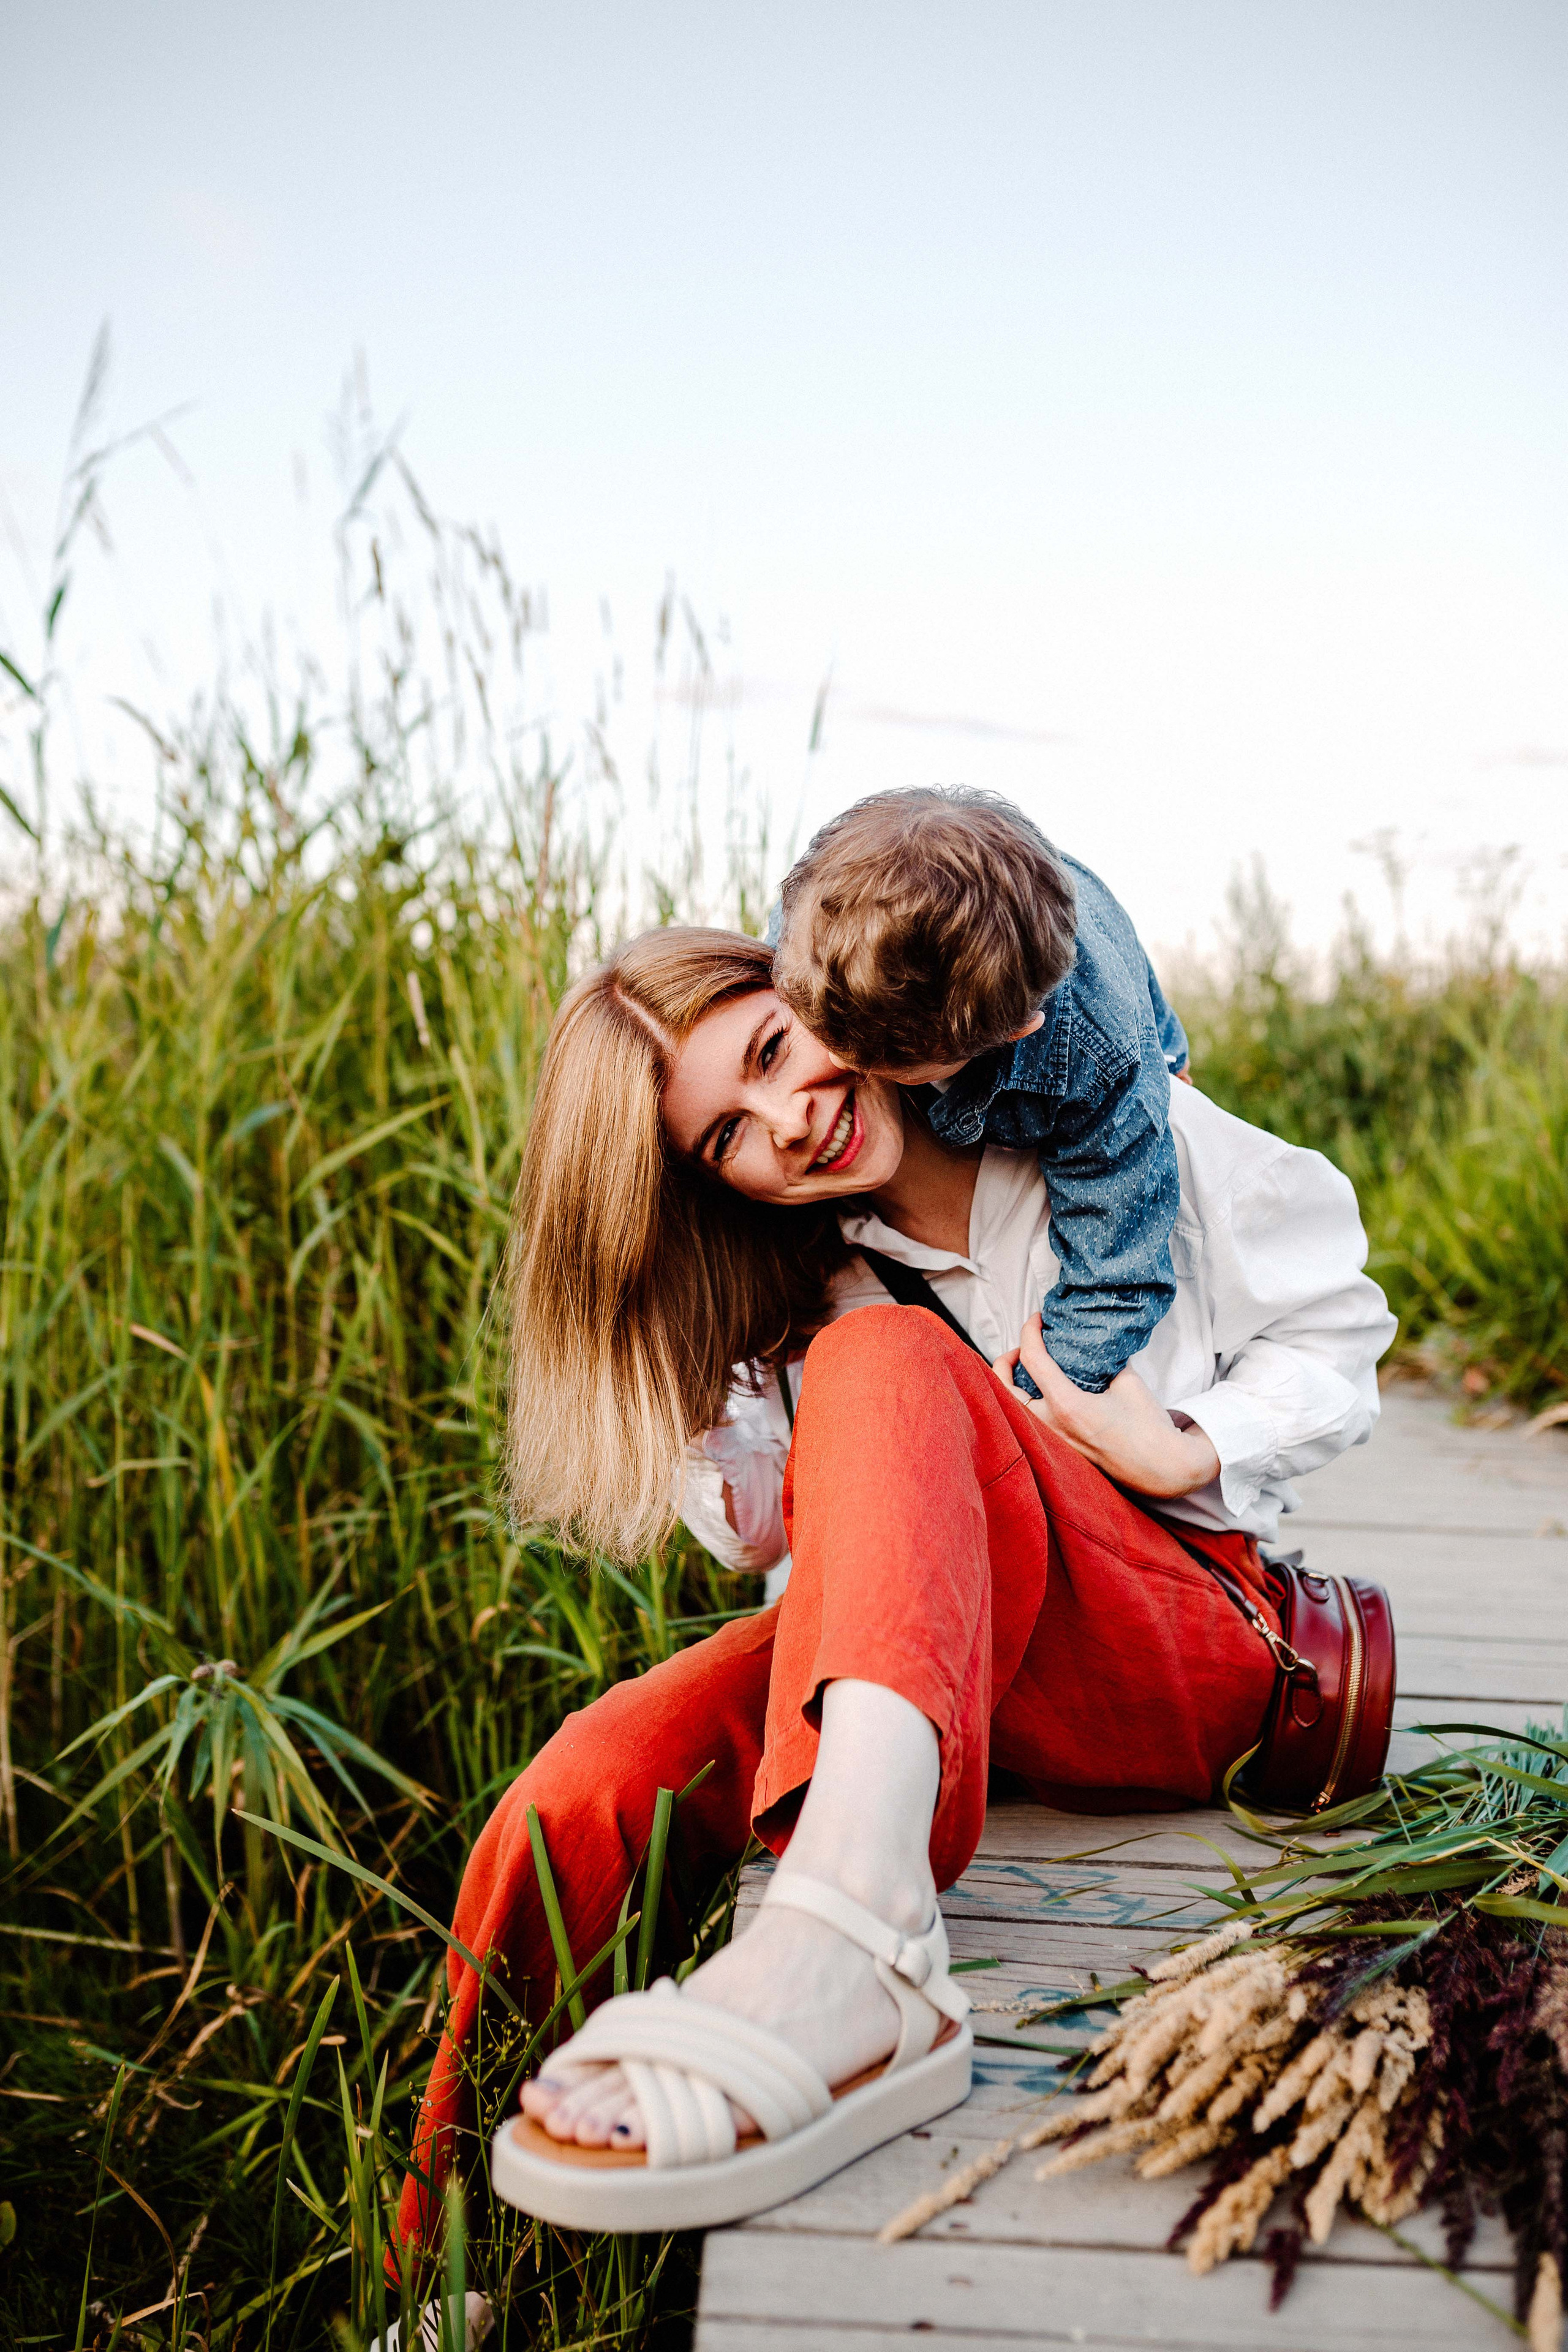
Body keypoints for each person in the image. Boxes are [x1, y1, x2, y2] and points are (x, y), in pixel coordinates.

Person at [394, 925, 1394, 2262]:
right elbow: (753, 1538)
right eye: (725, 1139)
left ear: (809, 991)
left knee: (885, 1362)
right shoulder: (808, 1257)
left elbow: (1335, 1325)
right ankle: (455, 2255)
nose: (788, 1123)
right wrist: (696, 1295)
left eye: (770, 1050)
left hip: (1183, 1641)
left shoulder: (1097, 1123)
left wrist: (1183, 1446)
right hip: (957, 1669)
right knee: (587, 1779)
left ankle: (855, 1938)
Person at [771, 786, 1192, 1397]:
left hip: (1112, 1021)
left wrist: (1029, 1403)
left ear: (1015, 1030)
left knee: (1160, 1156)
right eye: (814, 1026)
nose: (835, 1061)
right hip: (1027, 919)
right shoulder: (815, 920)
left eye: (883, 1060)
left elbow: (1118, 1280)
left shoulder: (1100, 1067)